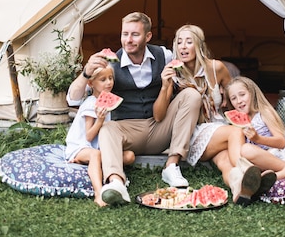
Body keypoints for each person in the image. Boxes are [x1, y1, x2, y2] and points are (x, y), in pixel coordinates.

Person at [67, 12, 203, 206]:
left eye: (134, 35)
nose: (128, 40)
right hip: (127, 132)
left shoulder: (164, 55)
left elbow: (193, 70)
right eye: (125, 34)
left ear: (147, 37)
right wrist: (86, 72)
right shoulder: (111, 64)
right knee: (107, 128)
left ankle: (171, 165)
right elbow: (73, 98)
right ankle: (116, 182)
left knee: (192, 95)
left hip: (160, 126)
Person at [158, 24, 276, 205]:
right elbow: (159, 114)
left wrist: (247, 114)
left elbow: (234, 94)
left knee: (224, 162)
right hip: (193, 133)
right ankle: (250, 171)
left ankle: (240, 190)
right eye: (179, 42)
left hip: (219, 129)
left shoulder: (217, 68)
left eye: (189, 41)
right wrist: (165, 85)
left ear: (199, 45)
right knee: (234, 133)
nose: (182, 46)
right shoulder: (173, 73)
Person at [65, 65, 135, 207]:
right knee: (95, 155)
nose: (108, 82)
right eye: (103, 80)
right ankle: (98, 193)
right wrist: (101, 120)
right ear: (91, 84)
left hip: (95, 148)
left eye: (110, 78)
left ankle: (91, 166)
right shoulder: (91, 104)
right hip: (81, 146)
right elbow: (89, 136)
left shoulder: (105, 100)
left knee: (130, 156)